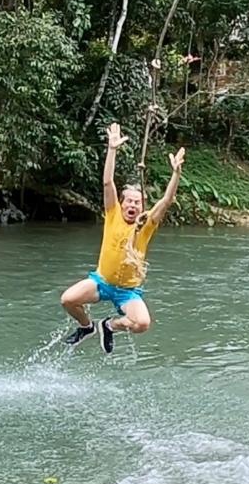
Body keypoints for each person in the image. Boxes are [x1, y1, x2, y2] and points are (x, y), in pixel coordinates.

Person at [59, 122, 185, 353]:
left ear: (142, 207)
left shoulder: (147, 224)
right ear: (122, 203)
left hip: (127, 291)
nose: (133, 205)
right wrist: (112, 149)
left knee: (142, 324)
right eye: (130, 201)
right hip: (101, 282)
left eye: (138, 202)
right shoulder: (113, 214)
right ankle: (87, 327)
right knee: (68, 300)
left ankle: (109, 326)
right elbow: (108, 182)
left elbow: (167, 200)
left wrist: (176, 174)